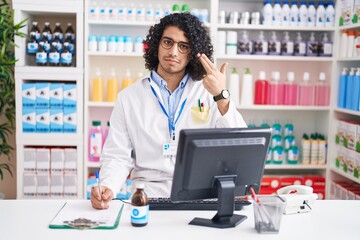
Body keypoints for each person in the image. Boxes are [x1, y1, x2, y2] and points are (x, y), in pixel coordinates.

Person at [91, 12, 247, 210]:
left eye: (183, 46)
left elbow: (239, 145)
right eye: (168, 42)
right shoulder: (128, 97)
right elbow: (117, 155)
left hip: (200, 198)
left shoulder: (209, 93)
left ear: (193, 53)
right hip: (148, 199)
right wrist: (108, 186)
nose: (173, 52)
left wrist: (221, 96)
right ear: (156, 44)